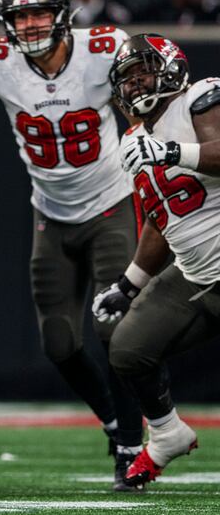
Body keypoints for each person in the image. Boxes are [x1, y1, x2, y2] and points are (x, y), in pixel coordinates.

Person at [0, 0, 142, 490]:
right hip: (52, 215)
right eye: (21, 17)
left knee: (115, 333)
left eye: (40, 14)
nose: (30, 25)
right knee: (59, 342)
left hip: (111, 206)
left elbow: (146, 99)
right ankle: (112, 419)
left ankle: (131, 442)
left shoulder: (102, 51)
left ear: (63, 15)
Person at [92, 33, 220, 488]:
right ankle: (167, 435)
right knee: (127, 349)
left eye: (143, 71)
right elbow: (159, 219)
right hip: (193, 273)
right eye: (127, 77)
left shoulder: (201, 97)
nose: (135, 83)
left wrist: (171, 151)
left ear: (171, 67)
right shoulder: (135, 137)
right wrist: (128, 284)